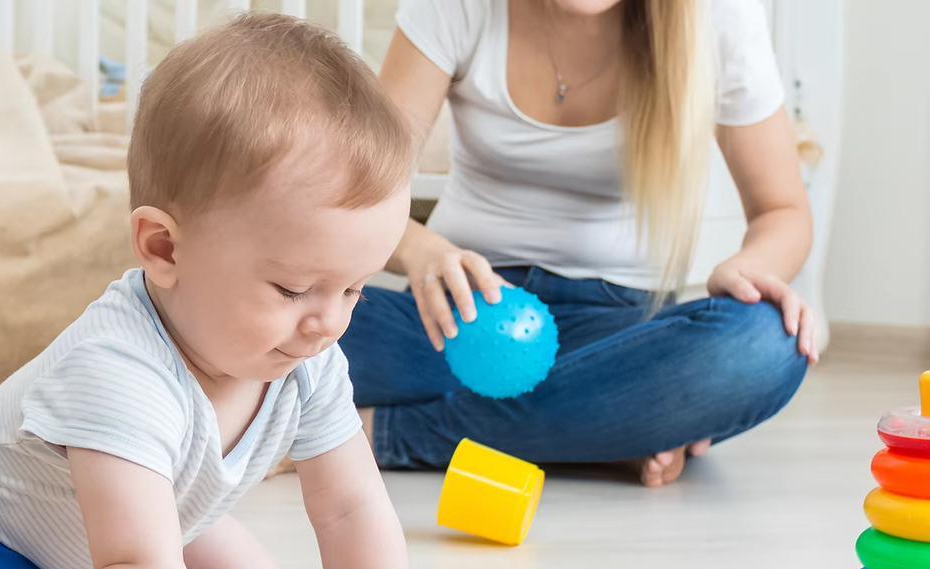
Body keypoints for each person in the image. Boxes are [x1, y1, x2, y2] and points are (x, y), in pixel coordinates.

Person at [0, 13, 495, 569]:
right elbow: (134, 566)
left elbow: (353, 509)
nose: (329, 322)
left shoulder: (306, 354)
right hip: (4, 541)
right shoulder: (117, 371)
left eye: (355, 288)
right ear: (163, 247)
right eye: (293, 288)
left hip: (132, 539)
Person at [339, 0, 817, 487]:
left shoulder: (718, 14)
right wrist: (420, 249)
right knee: (305, 325)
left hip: (621, 335)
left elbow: (783, 211)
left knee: (765, 342)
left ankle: (381, 435)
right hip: (462, 319)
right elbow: (361, 198)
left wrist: (747, 268)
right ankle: (600, 430)